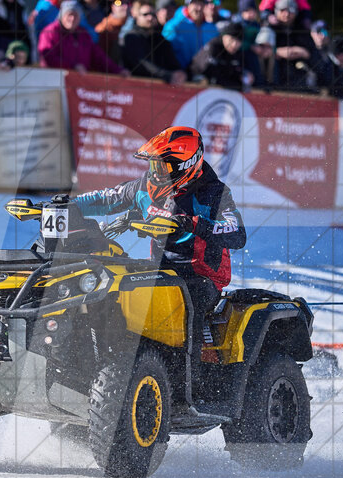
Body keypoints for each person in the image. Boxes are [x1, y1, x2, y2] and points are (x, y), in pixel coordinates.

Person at [71, 126, 246, 397]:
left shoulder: (214, 193)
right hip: (160, 271)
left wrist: (192, 223)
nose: (156, 172)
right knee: (116, 284)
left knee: (193, 300)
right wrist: (67, 205)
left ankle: (191, 384)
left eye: (163, 166)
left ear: (185, 165)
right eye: (153, 165)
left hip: (200, 275)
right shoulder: (146, 187)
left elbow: (237, 232)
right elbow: (107, 199)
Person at [38, 0, 127, 73]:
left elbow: (99, 57)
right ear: (61, 16)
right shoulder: (50, 32)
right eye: (69, 15)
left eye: (75, 15)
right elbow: (48, 57)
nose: (72, 19)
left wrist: (118, 70)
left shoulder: (83, 34)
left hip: (78, 83)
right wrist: (72, 66)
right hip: (55, 79)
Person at [121, 0, 185, 85]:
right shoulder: (131, 37)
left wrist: (180, 73)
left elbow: (171, 61)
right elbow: (142, 65)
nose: (150, 18)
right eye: (145, 14)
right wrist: (167, 75)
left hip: (162, 87)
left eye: (152, 14)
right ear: (137, 16)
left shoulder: (160, 39)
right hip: (136, 87)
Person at [189, 21, 246, 90]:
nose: (234, 44)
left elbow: (237, 75)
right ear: (224, 37)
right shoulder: (214, 47)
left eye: (238, 41)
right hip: (195, 87)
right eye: (231, 40)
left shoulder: (237, 53)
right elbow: (211, 76)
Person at [161, 0, 217, 70]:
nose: (199, 8)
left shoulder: (212, 28)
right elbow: (166, 53)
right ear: (188, 5)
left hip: (204, 75)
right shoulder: (173, 26)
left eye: (201, 4)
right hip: (179, 74)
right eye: (195, 4)